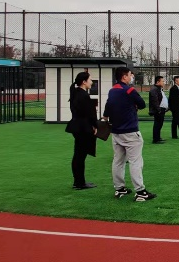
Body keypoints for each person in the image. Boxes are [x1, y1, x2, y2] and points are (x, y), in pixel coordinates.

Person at [103, 67, 157, 202]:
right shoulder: (129, 90)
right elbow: (142, 104)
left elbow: (108, 108)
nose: (131, 77)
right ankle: (140, 192)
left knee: (118, 161)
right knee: (135, 161)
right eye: (129, 75)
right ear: (124, 77)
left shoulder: (112, 90)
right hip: (130, 131)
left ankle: (119, 188)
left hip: (116, 132)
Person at [65, 71, 98, 190]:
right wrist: (95, 126)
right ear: (84, 82)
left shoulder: (76, 94)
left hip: (77, 127)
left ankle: (79, 181)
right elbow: (90, 114)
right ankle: (79, 183)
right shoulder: (83, 95)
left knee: (78, 154)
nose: (91, 82)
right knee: (80, 155)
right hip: (83, 128)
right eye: (90, 80)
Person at [148, 75, 169, 144]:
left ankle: (158, 137)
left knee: (160, 124)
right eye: (162, 81)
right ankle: (156, 139)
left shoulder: (158, 89)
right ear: (157, 82)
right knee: (157, 124)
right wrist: (159, 109)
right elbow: (155, 100)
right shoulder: (154, 89)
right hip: (158, 110)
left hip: (161, 109)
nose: (164, 83)